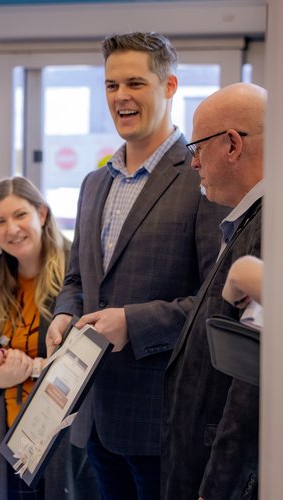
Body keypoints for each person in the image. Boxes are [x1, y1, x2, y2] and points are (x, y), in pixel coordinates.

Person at [45, 32, 227, 499]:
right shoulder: (92, 183)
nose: (121, 96)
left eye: (134, 83)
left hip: (161, 421)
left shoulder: (202, 178)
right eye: (111, 86)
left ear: (169, 87)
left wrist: (133, 323)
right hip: (94, 415)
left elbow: (218, 299)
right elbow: (77, 278)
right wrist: (65, 312)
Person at [162, 83, 266, 500]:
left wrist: (219, 485)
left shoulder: (269, 227)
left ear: (233, 145)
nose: (193, 163)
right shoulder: (247, 220)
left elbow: (250, 384)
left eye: (198, 147)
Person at [0, 176, 100, 500]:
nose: (11, 228)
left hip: (64, 440)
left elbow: (88, 356)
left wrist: (31, 368)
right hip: (10, 437)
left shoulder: (77, 273)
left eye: (20, 215)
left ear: (42, 215)